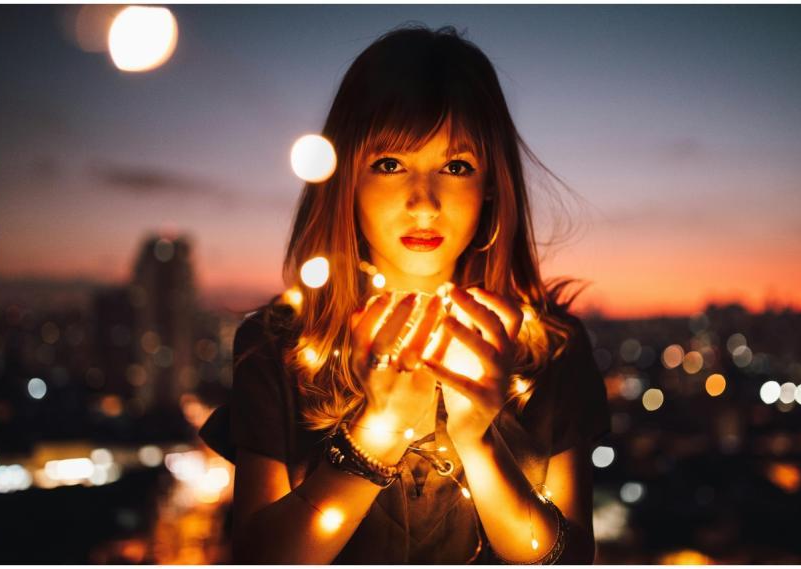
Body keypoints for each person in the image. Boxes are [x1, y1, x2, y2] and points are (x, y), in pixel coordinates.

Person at [199, 24, 610, 564]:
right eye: (389, 164)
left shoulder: (550, 350)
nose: (424, 204)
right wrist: (377, 434)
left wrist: (478, 441)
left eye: (456, 166)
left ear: (491, 183)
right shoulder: (281, 346)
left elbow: (571, 559)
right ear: (347, 177)